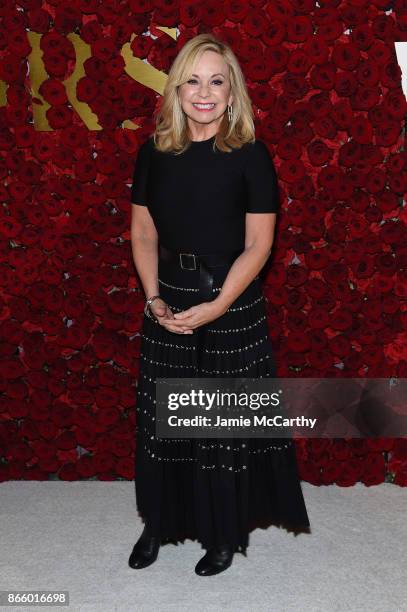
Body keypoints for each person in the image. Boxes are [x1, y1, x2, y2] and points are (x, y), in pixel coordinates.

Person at [128, 32, 310, 577]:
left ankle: (224, 533)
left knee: (221, 425)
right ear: (176, 89)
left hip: (230, 301)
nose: (203, 92)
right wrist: (154, 298)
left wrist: (219, 306)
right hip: (169, 301)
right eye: (193, 80)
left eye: (216, 81)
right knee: (165, 421)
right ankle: (159, 521)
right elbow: (142, 233)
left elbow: (260, 244)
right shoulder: (153, 153)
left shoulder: (251, 155)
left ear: (232, 93)